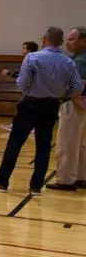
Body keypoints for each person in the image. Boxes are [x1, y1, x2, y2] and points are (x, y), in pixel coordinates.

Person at [0, 27, 85, 196]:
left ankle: (2, 181)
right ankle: (36, 186)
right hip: (52, 106)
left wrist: (31, 90)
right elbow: (77, 87)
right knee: (43, 147)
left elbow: (22, 83)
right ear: (60, 42)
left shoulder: (32, 57)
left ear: (44, 40)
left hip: (30, 105)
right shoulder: (68, 62)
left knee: (14, 144)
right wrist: (62, 96)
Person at [48, 26, 86, 192]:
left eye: (72, 39)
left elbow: (77, 84)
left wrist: (73, 97)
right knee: (82, 144)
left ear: (83, 41)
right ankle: (81, 176)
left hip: (74, 104)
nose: (67, 43)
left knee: (67, 144)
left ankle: (65, 180)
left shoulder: (78, 61)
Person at [0, 41, 40, 133]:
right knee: (28, 108)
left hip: (30, 89)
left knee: (22, 107)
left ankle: (14, 126)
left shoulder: (28, 60)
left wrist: (9, 73)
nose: (22, 49)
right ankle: (30, 126)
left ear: (29, 50)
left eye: (24, 47)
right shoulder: (35, 59)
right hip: (33, 89)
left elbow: (23, 76)